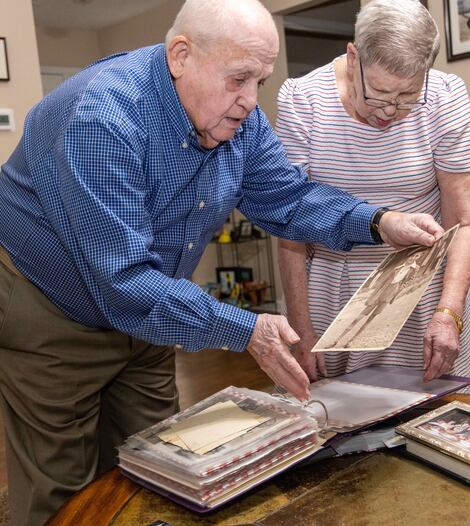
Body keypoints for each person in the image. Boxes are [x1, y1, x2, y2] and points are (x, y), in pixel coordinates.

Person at [0, 0, 444, 523]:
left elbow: (288, 199)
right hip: (52, 306)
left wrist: (378, 222)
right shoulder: (103, 116)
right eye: (239, 79)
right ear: (181, 56)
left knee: (156, 465)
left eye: (260, 80)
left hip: (150, 305)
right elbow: (120, 278)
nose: (250, 102)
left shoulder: (240, 117)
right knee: (65, 495)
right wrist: (245, 329)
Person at [277, 0, 470, 393]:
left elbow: (466, 220)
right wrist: (301, 328)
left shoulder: (445, 96)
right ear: (353, 56)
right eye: (378, 93)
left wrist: (448, 313)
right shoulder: (301, 100)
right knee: (341, 429)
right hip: (331, 296)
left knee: (447, 425)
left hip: (424, 291)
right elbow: (289, 228)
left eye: (408, 96)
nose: (391, 111)